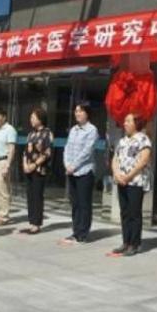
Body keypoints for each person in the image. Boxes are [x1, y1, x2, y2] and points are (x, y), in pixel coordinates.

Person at [111, 113, 152, 256]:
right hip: (121, 180)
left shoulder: (143, 139)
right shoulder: (122, 140)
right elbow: (115, 158)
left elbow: (143, 161)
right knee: (125, 212)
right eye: (125, 121)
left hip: (136, 181)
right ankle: (126, 242)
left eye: (128, 121)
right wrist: (117, 173)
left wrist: (128, 176)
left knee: (134, 213)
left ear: (136, 123)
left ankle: (135, 244)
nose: (125, 124)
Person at [62, 102, 99, 244]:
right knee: (75, 203)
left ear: (87, 114)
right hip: (71, 171)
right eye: (76, 111)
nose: (77, 113)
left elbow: (87, 151)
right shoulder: (73, 129)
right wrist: (67, 164)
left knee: (84, 204)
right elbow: (67, 147)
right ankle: (76, 231)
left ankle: (83, 233)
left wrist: (74, 165)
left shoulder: (92, 130)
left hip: (85, 171)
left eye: (80, 111)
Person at [22, 108, 53, 234]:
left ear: (40, 119)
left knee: (37, 196)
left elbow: (47, 153)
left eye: (33, 118)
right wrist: (25, 164)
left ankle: (36, 224)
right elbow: (25, 152)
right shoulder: (31, 134)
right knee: (30, 195)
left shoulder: (47, 133)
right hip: (28, 169)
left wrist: (34, 165)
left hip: (39, 169)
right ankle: (31, 222)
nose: (31, 120)